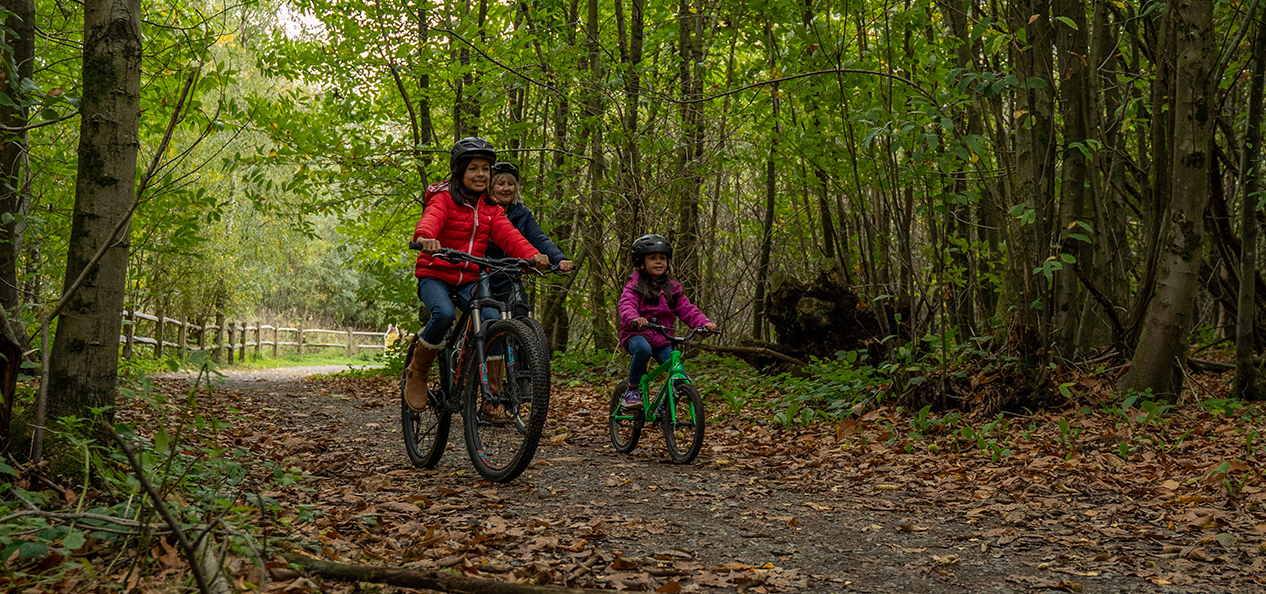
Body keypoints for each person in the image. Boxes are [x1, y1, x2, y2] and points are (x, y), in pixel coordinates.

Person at [405, 137, 548, 412]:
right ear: (460, 171)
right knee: (444, 314)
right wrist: (426, 238)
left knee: (492, 321)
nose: (481, 174)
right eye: (473, 168)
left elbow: (511, 236)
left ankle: (491, 398)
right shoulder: (443, 197)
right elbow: (430, 219)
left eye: (485, 168)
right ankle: (418, 372)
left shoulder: (491, 208)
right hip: (435, 273)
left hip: (469, 278)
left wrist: (531, 255)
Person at [616, 234, 716, 411]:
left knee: (681, 378)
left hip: (662, 338)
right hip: (636, 334)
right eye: (652, 258)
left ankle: (664, 411)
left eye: (662, 258)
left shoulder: (672, 288)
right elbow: (626, 304)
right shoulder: (634, 285)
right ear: (641, 262)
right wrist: (634, 319)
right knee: (643, 349)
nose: (658, 262)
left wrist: (703, 324)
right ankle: (632, 390)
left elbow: (687, 309)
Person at [484, 161, 574, 319]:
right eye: (501, 184)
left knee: (521, 315)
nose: (506, 188)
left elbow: (539, 238)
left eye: (511, 184)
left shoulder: (522, 213)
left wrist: (559, 259)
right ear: (491, 187)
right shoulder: (482, 210)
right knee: (487, 316)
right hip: (483, 274)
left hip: (511, 275)